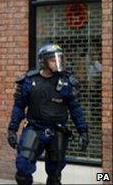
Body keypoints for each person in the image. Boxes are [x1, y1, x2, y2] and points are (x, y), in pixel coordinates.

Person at [7, 43, 89, 185]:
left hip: (57, 131)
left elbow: (76, 110)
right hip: (35, 129)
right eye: (52, 59)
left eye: (60, 59)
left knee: (55, 175)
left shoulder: (67, 82)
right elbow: (19, 107)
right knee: (22, 171)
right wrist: (12, 129)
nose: (57, 62)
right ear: (43, 61)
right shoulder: (29, 80)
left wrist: (83, 132)